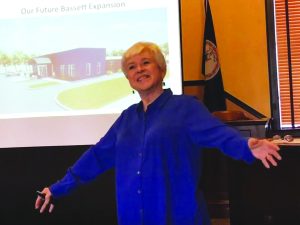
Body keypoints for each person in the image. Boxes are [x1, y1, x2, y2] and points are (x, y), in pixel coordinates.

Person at [35, 42, 281, 225]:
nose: (139, 70)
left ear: (161, 69)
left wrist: (246, 145)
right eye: (132, 67)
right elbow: (96, 157)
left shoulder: (186, 108)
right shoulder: (126, 119)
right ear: (128, 78)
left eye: (146, 63)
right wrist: (57, 188)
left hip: (180, 217)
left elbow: (218, 133)